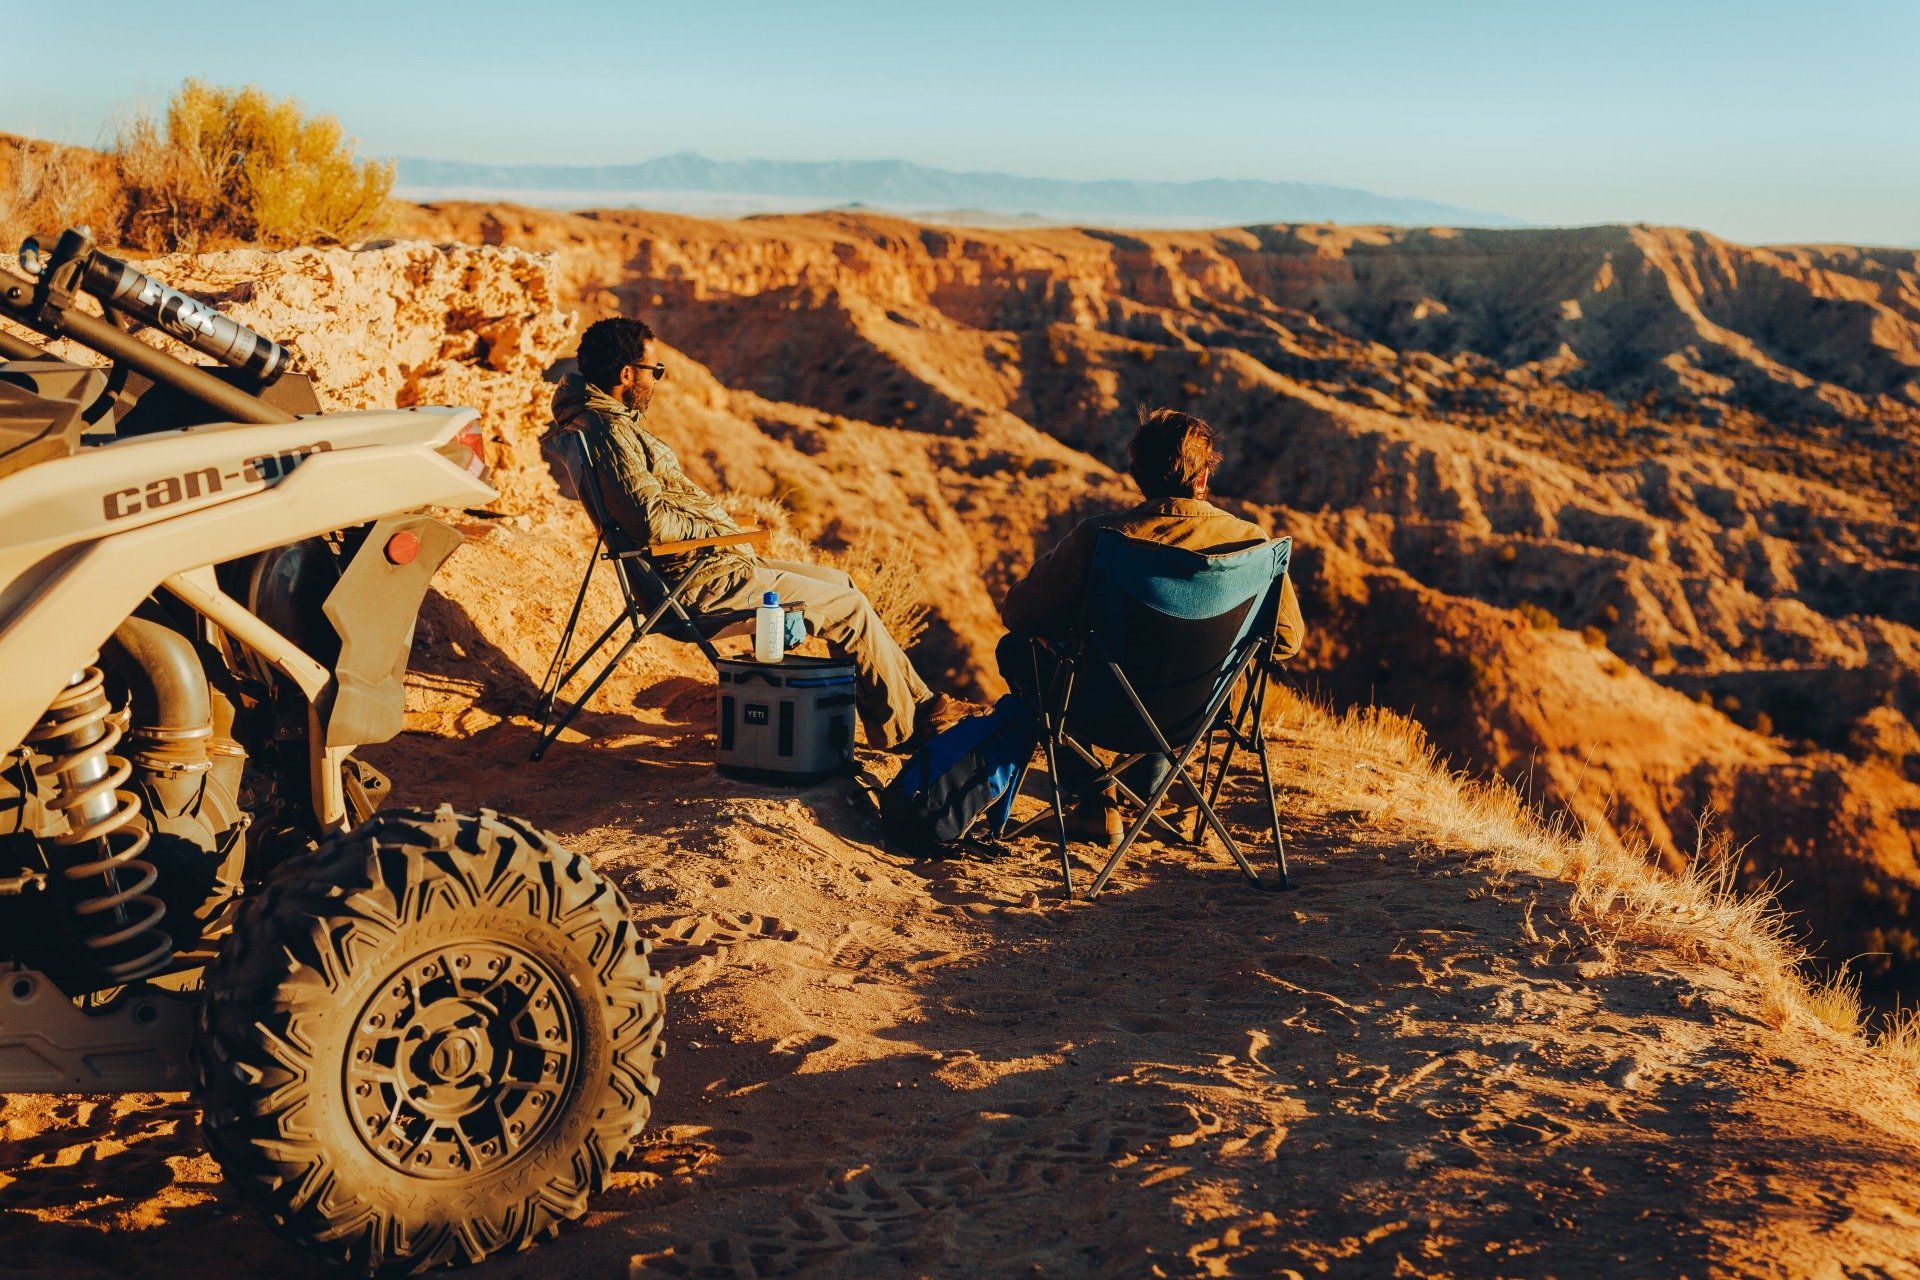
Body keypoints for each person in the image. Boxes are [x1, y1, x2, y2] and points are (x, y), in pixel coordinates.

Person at [542, 317, 950, 751]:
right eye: (654, 371)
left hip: (697, 567)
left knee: (842, 584)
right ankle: (904, 734)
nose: (657, 381)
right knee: (849, 608)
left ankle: (921, 704)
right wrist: (718, 531)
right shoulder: (611, 431)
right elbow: (652, 525)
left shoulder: (599, 420)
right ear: (626, 374)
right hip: (695, 582)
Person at [997, 407, 1305, 847]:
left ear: (1139, 476)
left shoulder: (1100, 539)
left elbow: (1020, 615)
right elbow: (1286, 641)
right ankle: (1145, 791)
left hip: (1101, 711)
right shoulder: (1253, 545)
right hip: (1196, 716)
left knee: (1015, 650)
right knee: (1181, 666)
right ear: (1202, 479)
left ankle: (1094, 799)